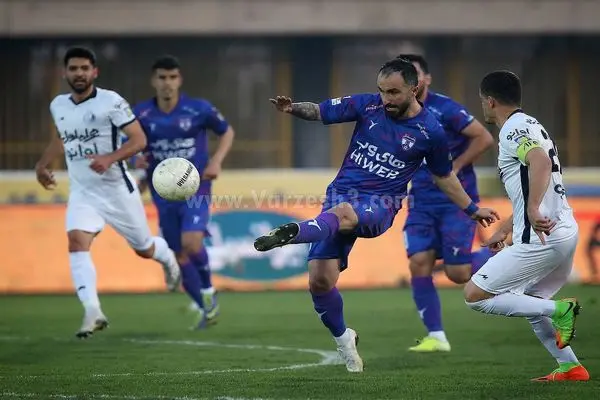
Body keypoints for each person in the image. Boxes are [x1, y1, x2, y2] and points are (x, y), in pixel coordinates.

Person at [254, 58, 499, 372]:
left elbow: (444, 176)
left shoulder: (431, 131)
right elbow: (319, 111)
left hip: (381, 204)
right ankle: (345, 340)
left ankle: (293, 233)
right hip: (341, 194)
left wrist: (472, 209)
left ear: (414, 89)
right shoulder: (367, 105)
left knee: (344, 214)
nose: (386, 99)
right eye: (382, 91)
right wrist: (292, 109)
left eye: (394, 92)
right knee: (320, 281)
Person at [34, 46, 181, 338]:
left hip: (116, 190)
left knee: (144, 249)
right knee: (77, 242)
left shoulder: (111, 101)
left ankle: (168, 259)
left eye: (84, 68)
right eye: (73, 69)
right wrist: (42, 164)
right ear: (64, 73)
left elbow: (139, 140)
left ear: (94, 72)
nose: (79, 73)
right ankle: (92, 310)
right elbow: (63, 138)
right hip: (83, 192)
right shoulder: (58, 105)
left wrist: (110, 158)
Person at [464, 70, 589, 381]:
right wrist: (507, 227)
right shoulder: (532, 124)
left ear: (489, 101)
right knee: (531, 302)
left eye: (482, 102)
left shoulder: (511, 129)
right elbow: (535, 180)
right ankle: (571, 368)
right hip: (562, 230)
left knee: (475, 294)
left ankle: (561, 310)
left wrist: (532, 211)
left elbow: (540, 162)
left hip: (541, 238)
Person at [398, 54, 495, 352]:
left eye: (415, 75)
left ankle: (506, 256)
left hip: (456, 200)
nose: (411, 81)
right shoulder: (395, 112)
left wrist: (456, 166)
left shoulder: (446, 108)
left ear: (426, 79)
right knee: (418, 262)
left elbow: (484, 138)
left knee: (458, 274)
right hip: (421, 201)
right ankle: (436, 336)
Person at [133, 55, 235, 329]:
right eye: (162, 78)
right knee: (178, 257)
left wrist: (216, 161)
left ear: (180, 80)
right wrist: (137, 165)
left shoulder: (198, 109)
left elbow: (226, 132)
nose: (167, 83)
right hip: (163, 193)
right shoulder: (141, 114)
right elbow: (133, 145)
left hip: (196, 186)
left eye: (172, 77)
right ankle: (207, 309)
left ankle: (208, 290)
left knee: (192, 243)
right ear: (154, 81)